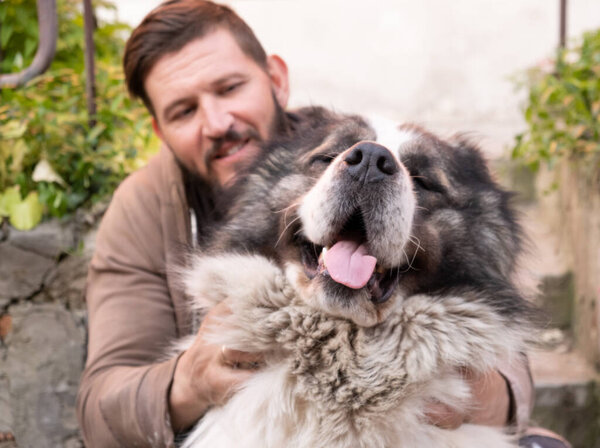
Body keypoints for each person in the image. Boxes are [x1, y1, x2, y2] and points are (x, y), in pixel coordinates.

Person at [75, 1, 570, 447]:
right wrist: (190, 381)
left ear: (276, 78)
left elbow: (499, 334)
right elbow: (101, 405)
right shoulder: (143, 206)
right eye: (184, 110)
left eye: (230, 87)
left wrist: (479, 392)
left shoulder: (357, 149)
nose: (217, 121)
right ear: (159, 128)